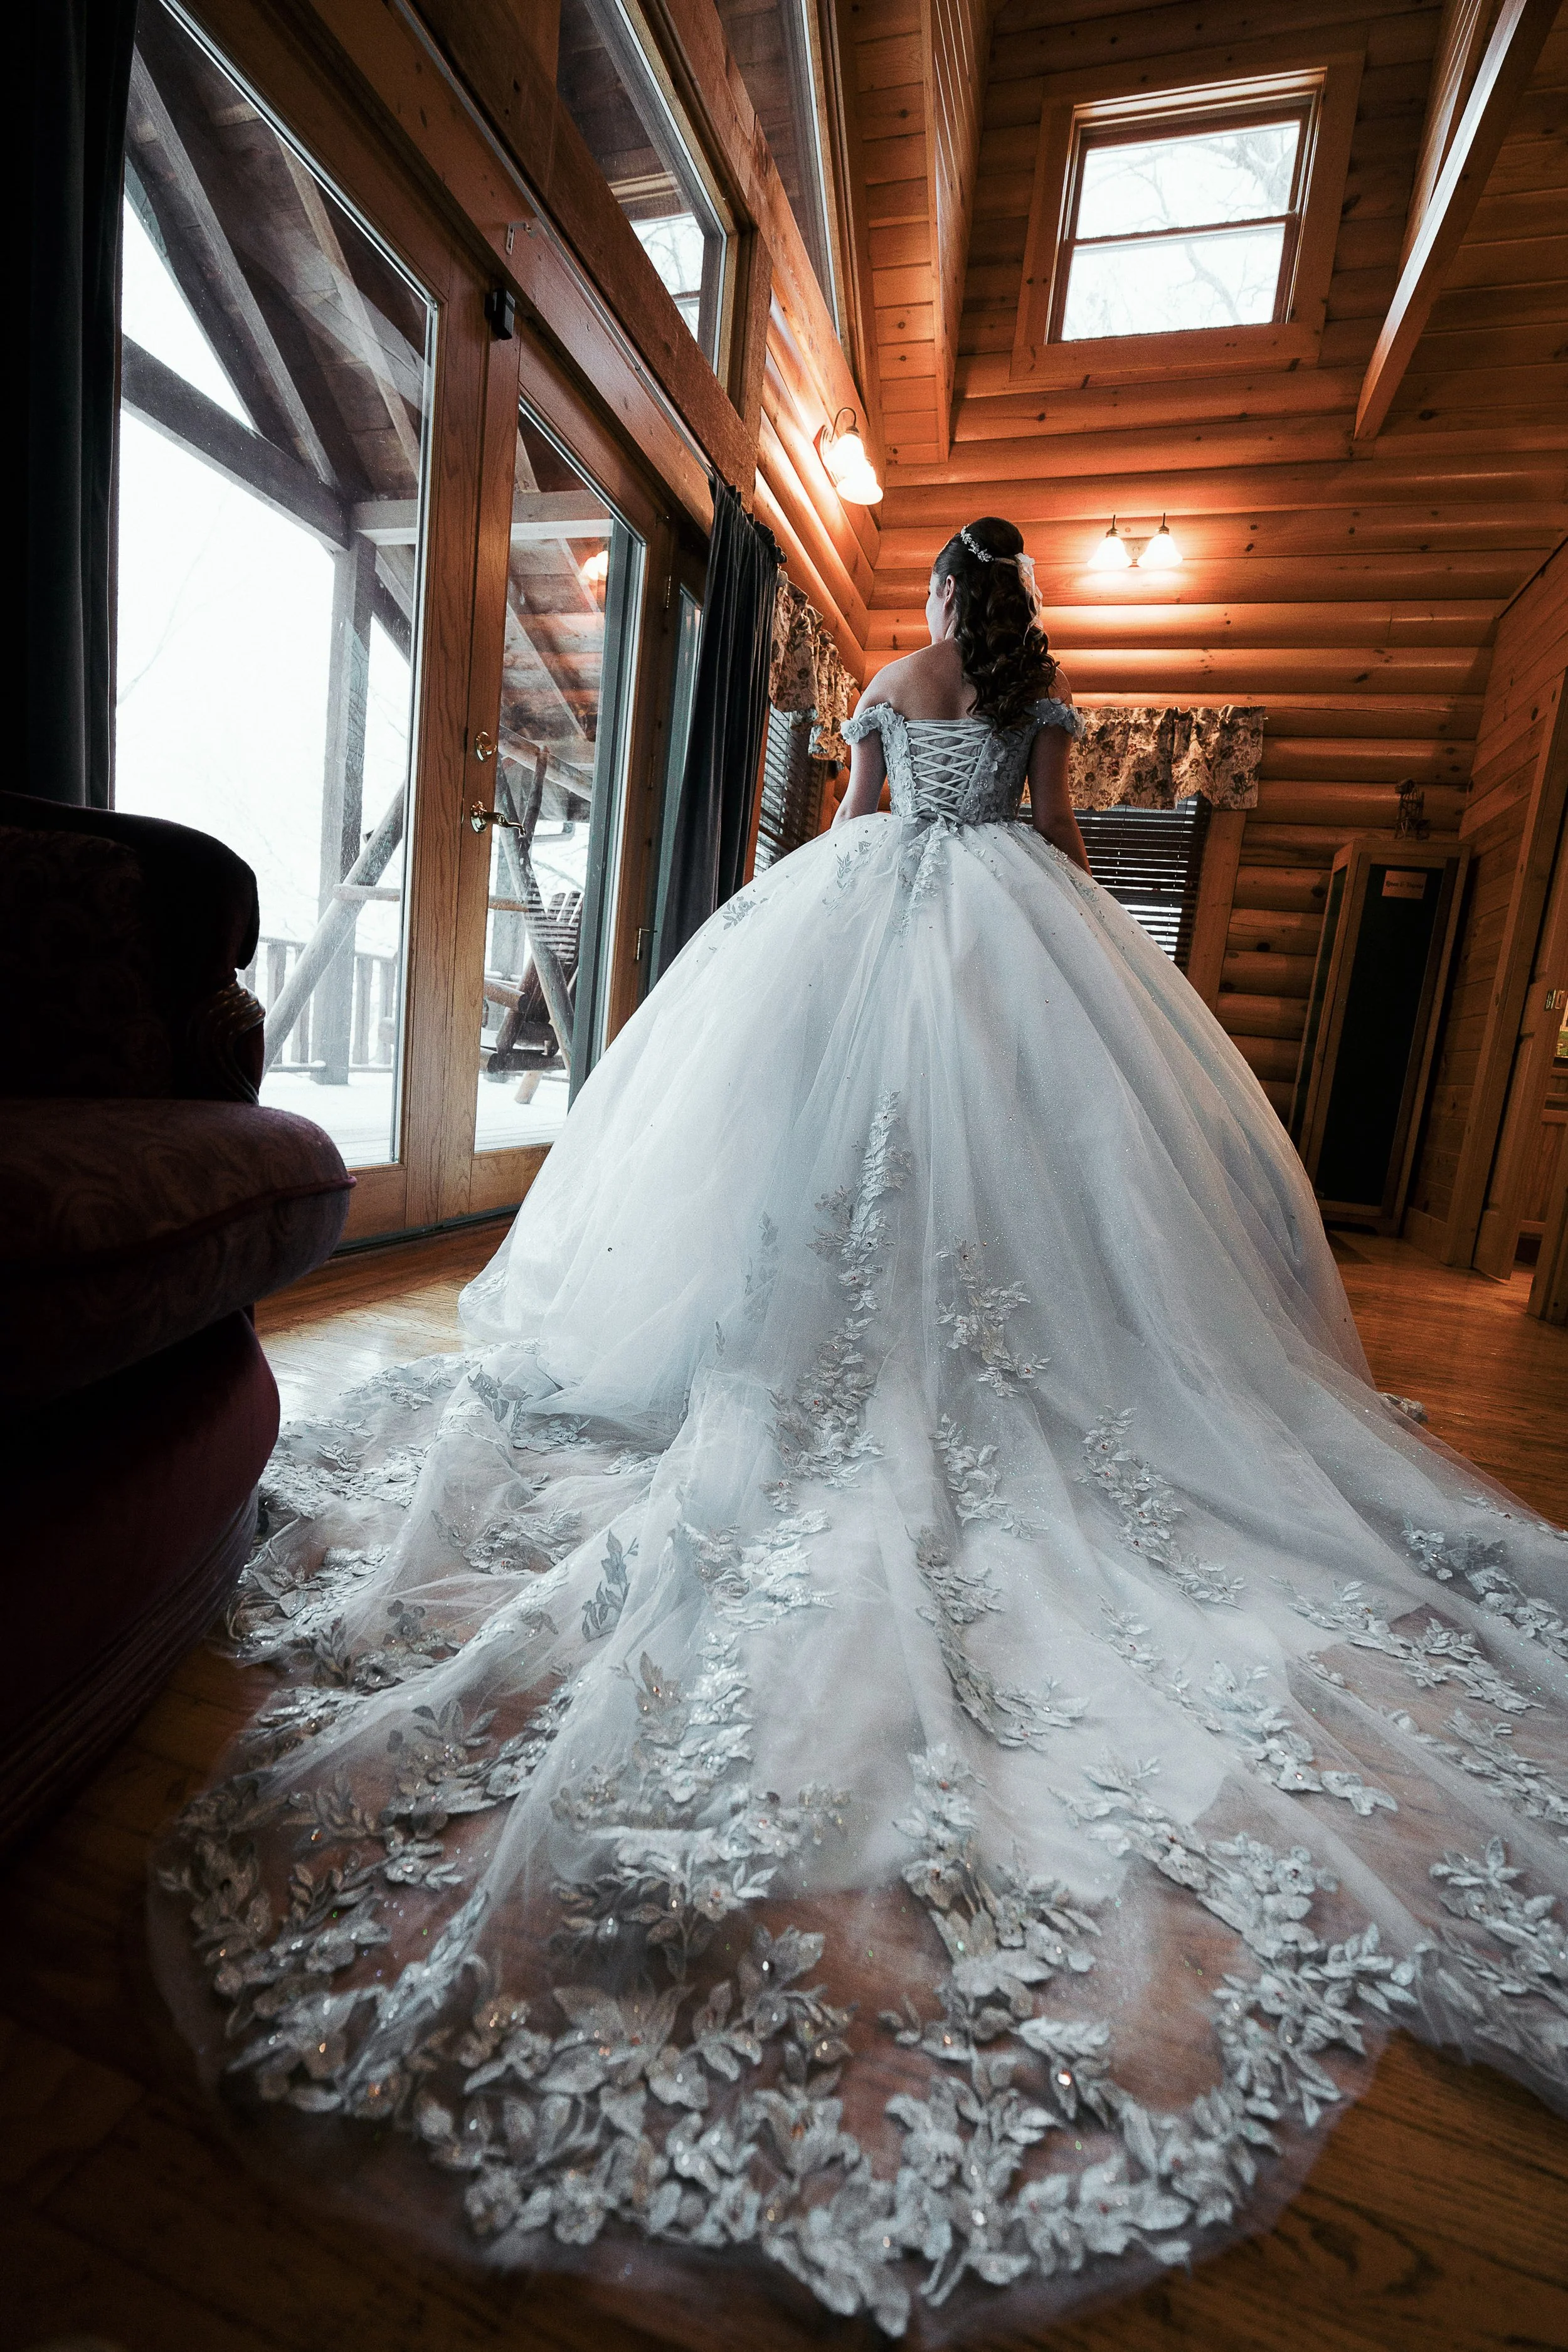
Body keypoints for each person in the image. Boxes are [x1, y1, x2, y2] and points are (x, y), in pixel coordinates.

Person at [153, 516, 1568, 2342]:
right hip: (1007, 967)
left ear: (929, 608)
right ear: (1021, 611)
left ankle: (818, 1348)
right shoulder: (1046, 704)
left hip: (862, 940)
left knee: (819, 1184)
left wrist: (828, 892)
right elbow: (1056, 856)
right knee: (1015, 1199)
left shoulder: (887, 690)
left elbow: (838, 839)